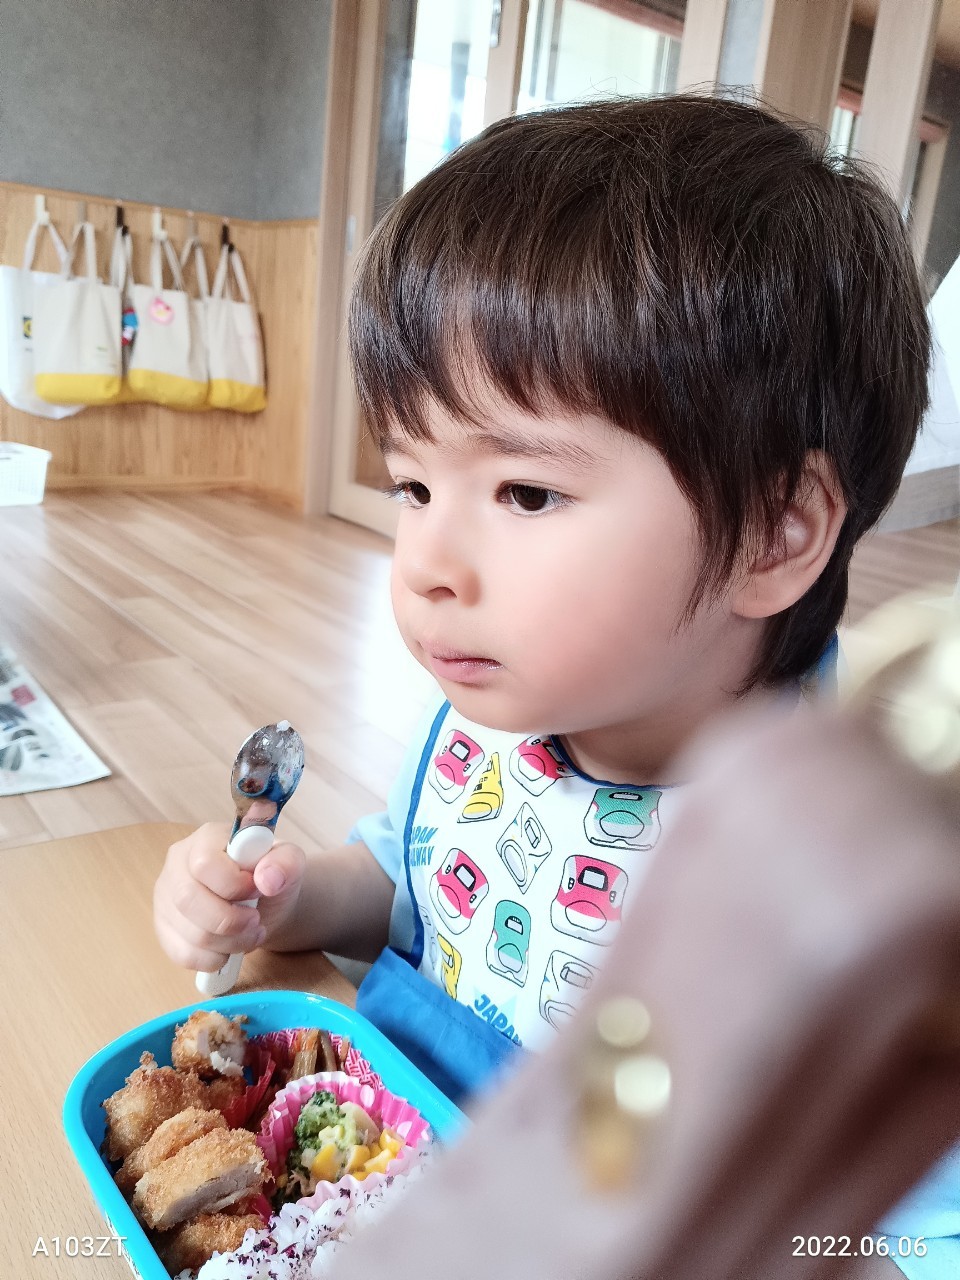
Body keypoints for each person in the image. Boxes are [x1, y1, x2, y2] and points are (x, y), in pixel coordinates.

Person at [154, 97, 929, 1102]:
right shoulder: (507, 719)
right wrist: (279, 904)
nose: (427, 564)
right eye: (413, 486)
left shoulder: (841, 878)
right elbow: (410, 882)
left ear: (772, 532)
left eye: (525, 493)